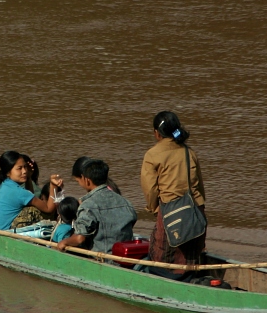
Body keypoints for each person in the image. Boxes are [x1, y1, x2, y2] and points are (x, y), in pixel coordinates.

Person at [140, 111, 207, 280]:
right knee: (190, 256)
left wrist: (154, 208)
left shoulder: (152, 155)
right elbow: (200, 186)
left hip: (171, 211)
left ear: (156, 133)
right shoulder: (189, 152)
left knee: (163, 257)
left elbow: (150, 189)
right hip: (195, 210)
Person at [55, 159, 137, 256]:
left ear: (87, 180)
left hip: (104, 258)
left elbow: (79, 238)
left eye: (78, 181)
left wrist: (64, 242)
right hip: (124, 256)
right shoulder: (125, 202)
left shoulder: (88, 205)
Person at [0, 151, 63, 231]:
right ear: (8, 172)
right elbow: (48, 209)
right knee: (33, 211)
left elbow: (29, 195)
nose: (24, 171)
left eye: (25, 167)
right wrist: (53, 186)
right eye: (19, 168)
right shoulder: (18, 192)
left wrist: (29, 177)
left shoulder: (4, 184)